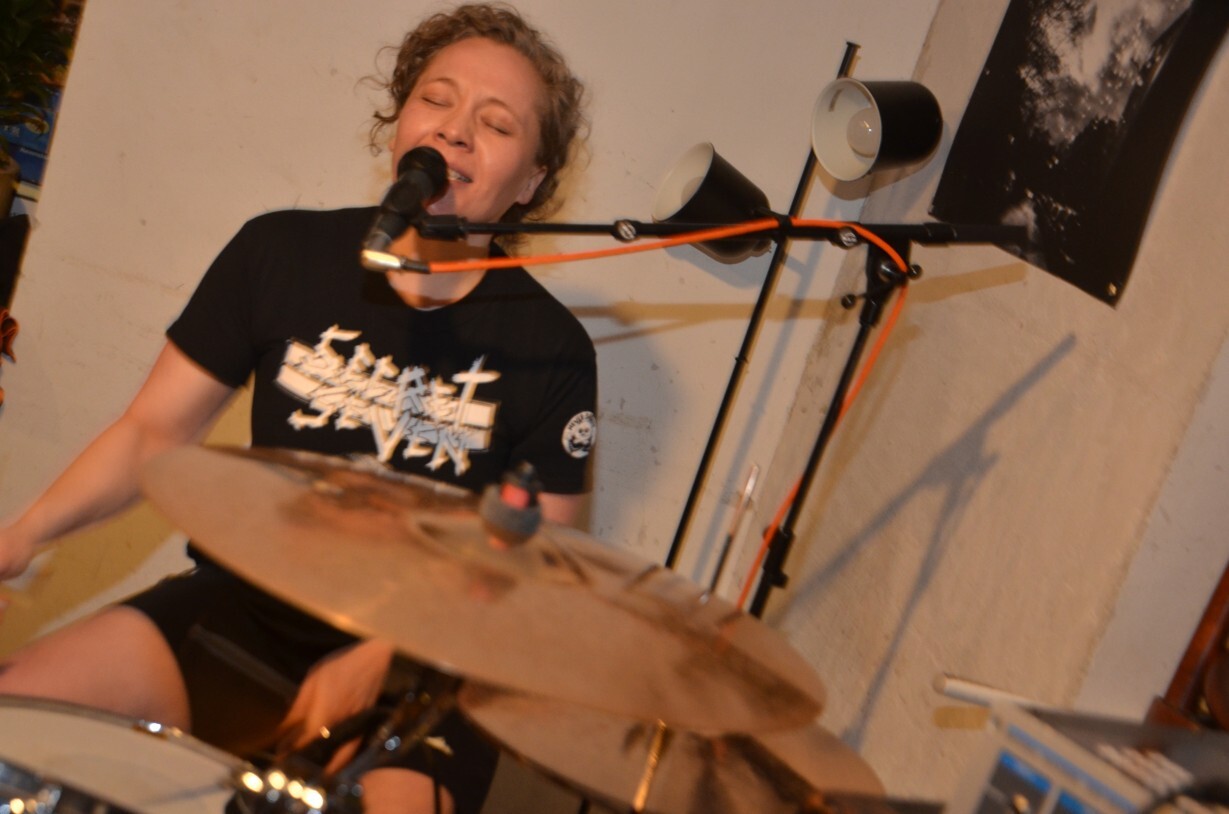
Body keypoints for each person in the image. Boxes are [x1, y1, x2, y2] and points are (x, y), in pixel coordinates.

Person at [0, 4, 594, 813]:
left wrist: (392, 654)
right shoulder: (281, 253)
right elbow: (152, 433)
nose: (454, 130)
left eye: (495, 124)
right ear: (399, 122)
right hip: (245, 608)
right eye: (435, 99)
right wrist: (22, 535)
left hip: (428, 663)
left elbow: (537, 566)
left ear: (530, 182)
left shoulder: (552, 348)